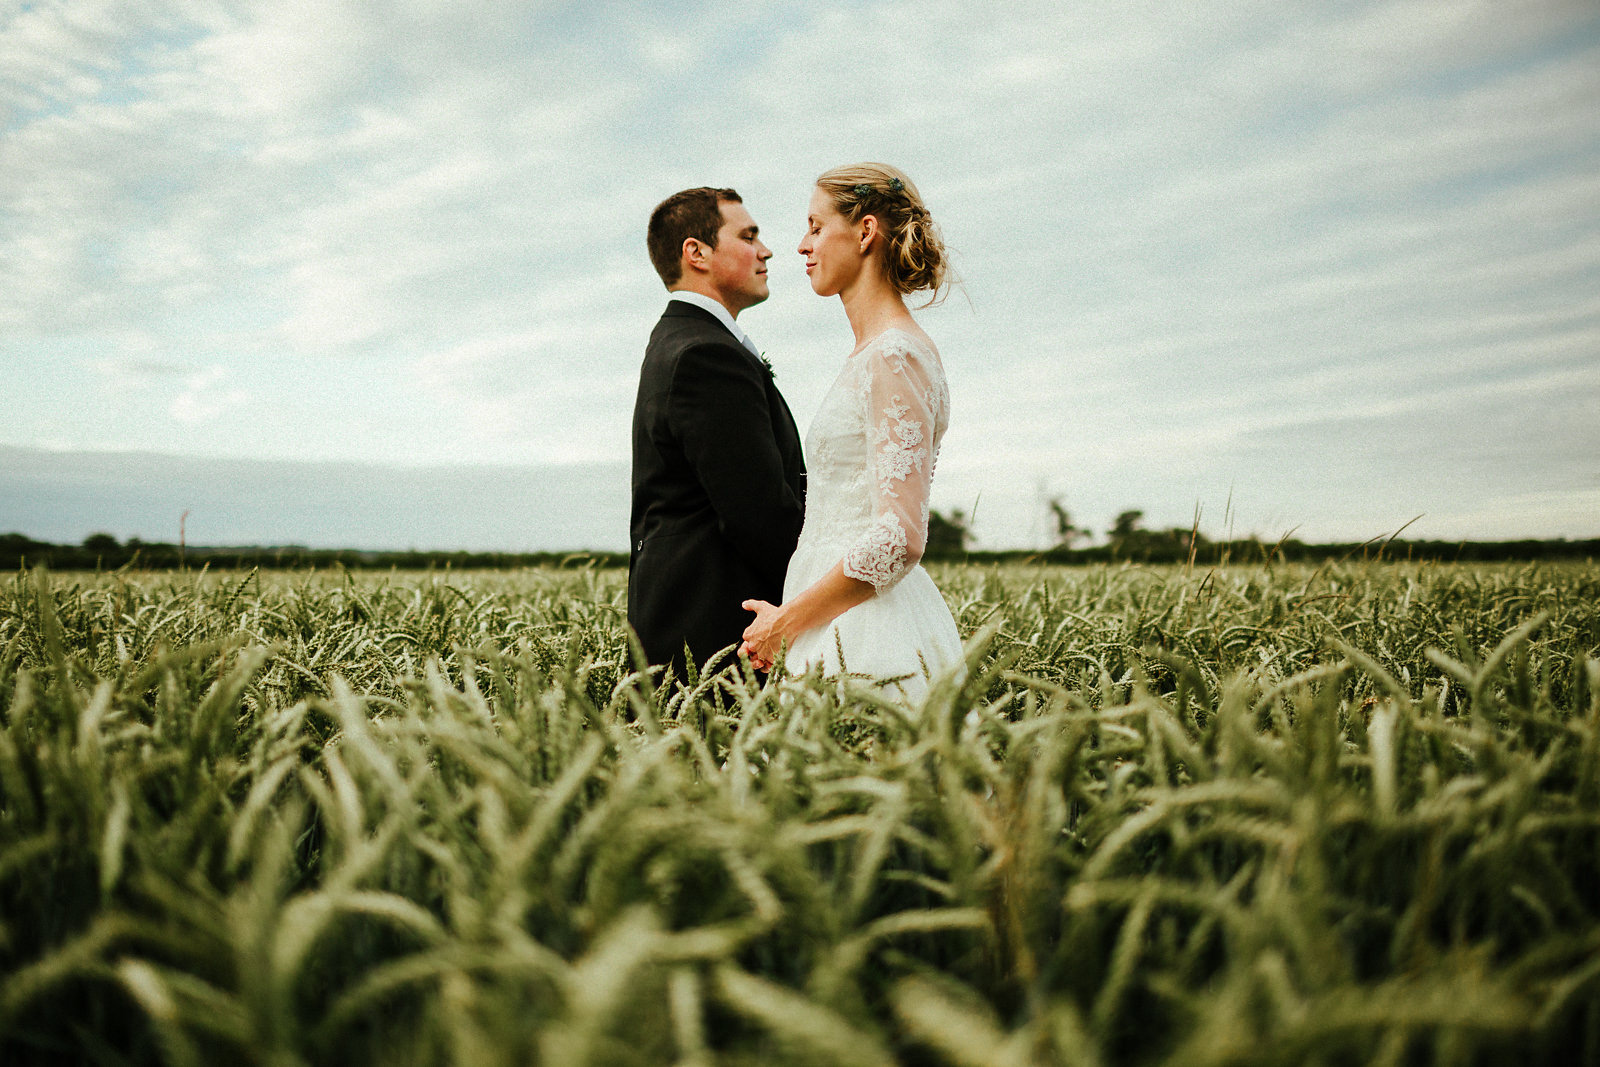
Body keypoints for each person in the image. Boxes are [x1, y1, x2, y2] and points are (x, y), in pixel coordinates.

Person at [740, 164, 962, 701]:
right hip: (836, 613)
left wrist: (786, 622)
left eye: (816, 227)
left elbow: (900, 537)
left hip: (866, 631)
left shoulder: (893, 355)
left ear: (865, 233)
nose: (800, 245)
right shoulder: (877, 353)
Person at [628, 187, 807, 679]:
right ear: (697, 253)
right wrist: (821, 599)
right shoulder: (706, 354)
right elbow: (759, 511)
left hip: (697, 626)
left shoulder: (685, 341)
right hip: (717, 635)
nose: (766, 250)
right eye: (748, 236)